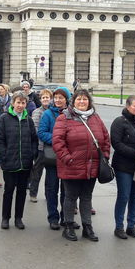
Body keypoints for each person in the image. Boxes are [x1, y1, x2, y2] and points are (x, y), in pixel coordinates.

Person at [52, 89, 109, 242]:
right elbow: (58, 142)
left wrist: (105, 156)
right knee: (70, 197)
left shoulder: (95, 118)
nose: (82, 102)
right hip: (71, 166)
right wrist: (68, 159)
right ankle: (69, 226)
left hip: (92, 166)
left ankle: (87, 227)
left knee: (86, 198)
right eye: (79, 99)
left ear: (89, 102)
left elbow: (105, 138)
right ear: (73, 101)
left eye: (85, 99)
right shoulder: (64, 118)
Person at [0, 91, 38, 229]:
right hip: (9, 162)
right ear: (13, 103)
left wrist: (32, 154)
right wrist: (4, 156)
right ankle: (5, 218)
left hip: (25, 162)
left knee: (21, 192)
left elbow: (33, 139)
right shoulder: (4, 118)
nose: (20, 105)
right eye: (18, 102)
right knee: (8, 191)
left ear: (26, 104)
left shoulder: (28, 120)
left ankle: (18, 218)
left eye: (23, 103)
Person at [110, 95, 135, 240]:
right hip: (123, 166)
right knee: (124, 196)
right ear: (128, 106)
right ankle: (119, 227)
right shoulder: (119, 122)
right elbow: (117, 144)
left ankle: (131, 226)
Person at [38, 87, 71, 230]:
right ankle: (53, 217)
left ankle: (66, 217)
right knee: (52, 188)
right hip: (52, 156)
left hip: (67, 157)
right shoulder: (47, 114)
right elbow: (41, 133)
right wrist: (58, 140)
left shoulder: (72, 114)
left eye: (61, 98)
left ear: (66, 99)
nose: (57, 100)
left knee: (67, 190)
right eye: (56, 97)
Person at [27, 89, 52, 203]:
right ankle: (33, 193)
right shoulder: (37, 112)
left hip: (51, 147)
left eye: (47, 97)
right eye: (43, 97)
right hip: (41, 147)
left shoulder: (53, 111)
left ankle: (48, 194)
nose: (46, 99)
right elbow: (36, 130)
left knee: (50, 174)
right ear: (41, 99)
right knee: (37, 172)